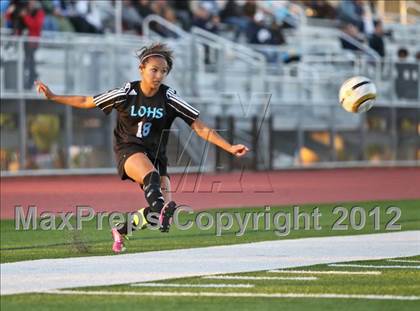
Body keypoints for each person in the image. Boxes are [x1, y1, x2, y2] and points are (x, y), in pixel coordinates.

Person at [35, 43, 249, 253]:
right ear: (141, 69)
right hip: (128, 149)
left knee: (160, 215)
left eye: (163, 71)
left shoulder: (169, 97)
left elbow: (199, 126)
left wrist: (229, 147)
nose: (158, 75)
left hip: (157, 156)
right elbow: (86, 100)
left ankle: (121, 230)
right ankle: (154, 208)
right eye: (154, 70)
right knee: (152, 178)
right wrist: (54, 96)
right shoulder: (125, 93)